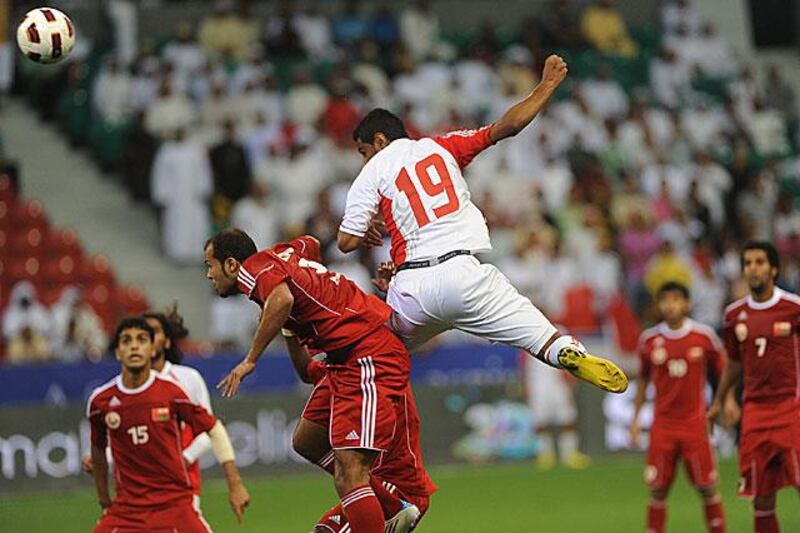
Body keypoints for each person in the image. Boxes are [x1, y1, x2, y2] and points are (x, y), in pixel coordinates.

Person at [338, 55, 628, 395]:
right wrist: (546, 86)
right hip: (465, 275)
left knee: (380, 351)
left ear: (380, 140)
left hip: (413, 287)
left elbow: (345, 241)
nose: (364, 158)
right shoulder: (442, 147)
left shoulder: (373, 169)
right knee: (541, 337)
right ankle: (566, 351)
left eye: (363, 150)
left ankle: (363, 421)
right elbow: (506, 127)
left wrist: (368, 227)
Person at [205, 230, 416, 533]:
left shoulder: (254, 271)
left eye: (210, 265)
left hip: (366, 351)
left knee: (350, 474)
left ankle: (385, 512)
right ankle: (392, 508)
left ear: (231, 264)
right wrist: (301, 305)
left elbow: (281, 299)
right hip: (343, 361)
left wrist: (250, 359)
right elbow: (312, 244)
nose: (208, 275)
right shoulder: (282, 255)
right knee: (307, 440)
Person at [86, 317, 249, 532]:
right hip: (127, 510)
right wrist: (104, 498)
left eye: (142, 339)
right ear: (117, 352)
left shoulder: (172, 391)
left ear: (152, 349)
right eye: (126, 340)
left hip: (175, 504)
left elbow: (213, 428)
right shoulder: (101, 401)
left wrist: (235, 484)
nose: (134, 345)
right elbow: (99, 447)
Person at [286, 330, 435, 532]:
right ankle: (390, 506)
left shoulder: (372, 371)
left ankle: (392, 507)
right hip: (376, 485)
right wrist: (288, 330)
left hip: (399, 485)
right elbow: (308, 371)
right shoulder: (347, 371)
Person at [708, 241, 800, 533]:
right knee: (761, 497)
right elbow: (733, 362)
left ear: (774, 269)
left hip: (791, 408)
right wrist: (722, 401)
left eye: (760, 262)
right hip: (755, 414)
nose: (753, 268)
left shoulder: (793, 308)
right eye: (747, 263)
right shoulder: (734, 315)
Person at [630, 282, 729, 533]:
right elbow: (642, 379)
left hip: (695, 425)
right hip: (662, 426)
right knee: (658, 489)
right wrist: (635, 418)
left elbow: (724, 369)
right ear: (658, 305)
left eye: (676, 299)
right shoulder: (649, 340)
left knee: (707, 487)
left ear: (687, 303)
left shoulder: (703, 336)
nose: (670, 305)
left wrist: (726, 401)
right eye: (665, 300)